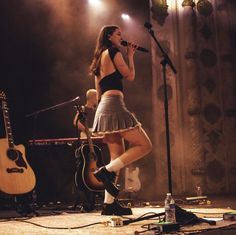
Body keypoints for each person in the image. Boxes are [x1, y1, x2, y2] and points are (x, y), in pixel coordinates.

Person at [89, 25, 152, 215]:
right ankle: (106, 170)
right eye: (118, 34)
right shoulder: (114, 51)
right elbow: (130, 76)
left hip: (104, 105)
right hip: (114, 103)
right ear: (109, 37)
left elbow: (98, 92)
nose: (121, 37)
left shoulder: (98, 59)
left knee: (118, 157)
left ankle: (109, 204)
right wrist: (131, 55)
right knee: (145, 145)